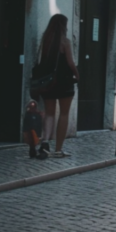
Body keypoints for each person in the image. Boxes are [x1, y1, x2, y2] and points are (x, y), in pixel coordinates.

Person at [38, 14, 79, 158]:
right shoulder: (65, 42)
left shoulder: (46, 39)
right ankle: (58, 149)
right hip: (63, 82)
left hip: (48, 82)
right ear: (63, 26)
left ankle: (45, 141)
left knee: (49, 113)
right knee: (64, 114)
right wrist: (78, 75)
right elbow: (70, 63)